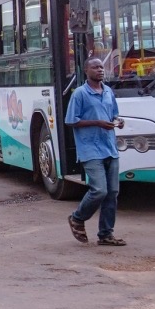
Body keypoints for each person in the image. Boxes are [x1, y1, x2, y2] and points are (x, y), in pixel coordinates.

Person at [65, 58, 126, 246]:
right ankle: (77, 218)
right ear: (86, 71)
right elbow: (71, 120)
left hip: (110, 148)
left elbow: (114, 114)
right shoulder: (80, 94)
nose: (100, 70)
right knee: (99, 190)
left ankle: (106, 234)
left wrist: (118, 121)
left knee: (112, 192)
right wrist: (97, 123)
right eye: (95, 67)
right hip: (90, 148)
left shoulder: (108, 91)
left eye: (101, 67)